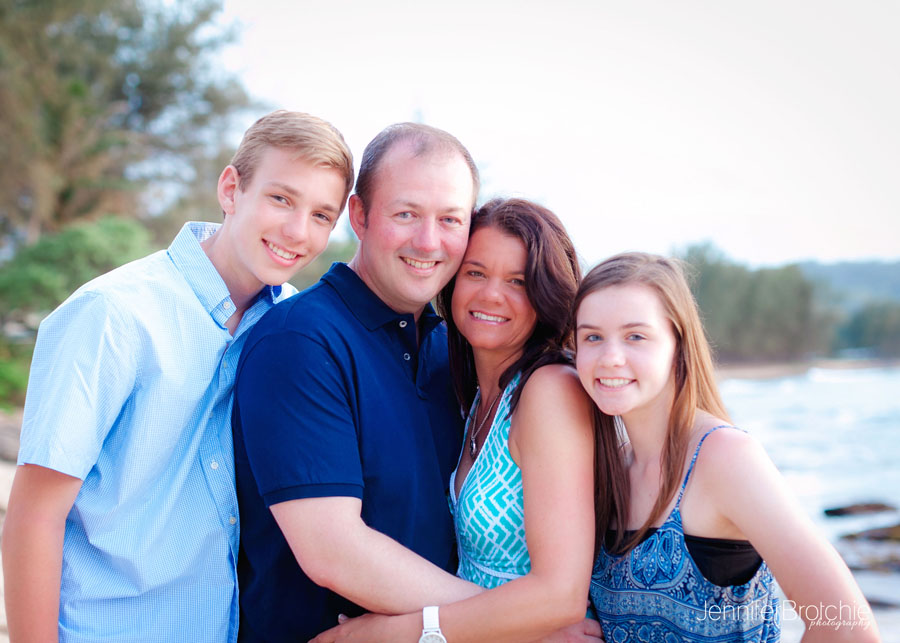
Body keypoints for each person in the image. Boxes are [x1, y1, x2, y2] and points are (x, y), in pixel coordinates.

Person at [1, 110, 354, 643]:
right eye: (281, 199)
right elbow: (34, 516)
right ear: (231, 189)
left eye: (322, 215)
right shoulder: (112, 315)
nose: (297, 231)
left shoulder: (293, 329)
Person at [232, 122, 484, 641]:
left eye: (450, 219)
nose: (428, 241)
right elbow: (334, 551)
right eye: (406, 214)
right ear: (360, 216)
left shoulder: (453, 350)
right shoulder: (299, 340)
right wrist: (519, 620)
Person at [312, 198, 602, 642]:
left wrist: (383, 635)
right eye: (476, 273)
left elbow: (561, 596)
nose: (491, 295)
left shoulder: (549, 390)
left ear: (545, 295)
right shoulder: (478, 393)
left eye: (518, 281)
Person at [573, 252, 879, 641]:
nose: (610, 358)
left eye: (636, 336)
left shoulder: (724, 457)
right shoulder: (610, 469)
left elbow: (846, 624)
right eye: (593, 337)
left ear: (678, 345)